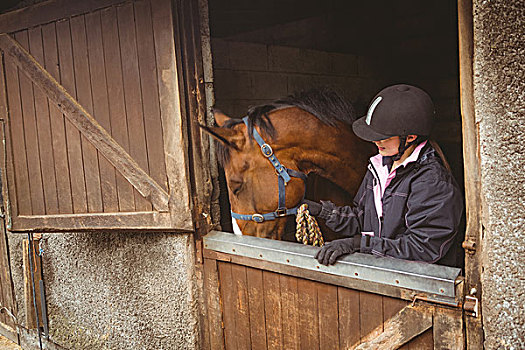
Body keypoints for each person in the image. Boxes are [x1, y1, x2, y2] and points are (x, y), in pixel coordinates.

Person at [305, 84, 463, 267]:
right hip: (386, 274)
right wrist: (323, 212)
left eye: (383, 136)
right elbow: (363, 218)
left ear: (410, 137)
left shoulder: (433, 182)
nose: (375, 141)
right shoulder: (379, 166)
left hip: (419, 285)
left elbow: (423, 248)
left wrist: (358, 245)